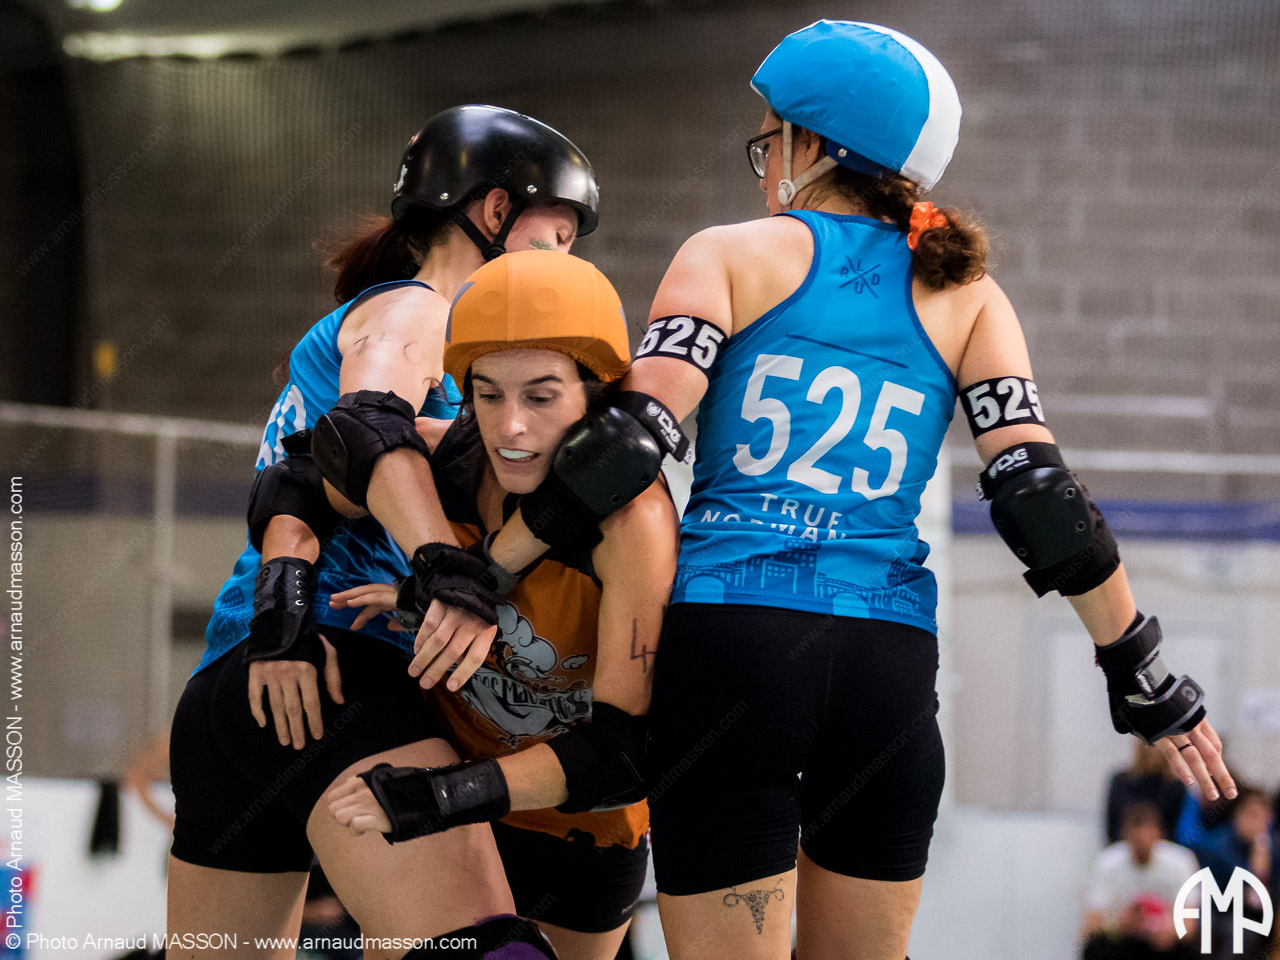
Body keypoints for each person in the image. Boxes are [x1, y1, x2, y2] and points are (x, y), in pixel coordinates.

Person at [600, 20, 1236, 960]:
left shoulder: (727, 253)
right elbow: (1039, 498)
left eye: (770, 139)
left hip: (736, 642)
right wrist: (1138, 666)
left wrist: (489, 567)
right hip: (886, 668)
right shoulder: (969, 292)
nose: (765, 165)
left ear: (812, 145)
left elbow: (622, 451)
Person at [167, 105, 599, 959]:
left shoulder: (409, 328)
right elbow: (368, 424)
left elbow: (303, 476)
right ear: (495, 212)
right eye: (557, 237)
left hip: (239, 683)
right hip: (338, 675)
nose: (567, 261)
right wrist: (448, 569)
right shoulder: (417, 308)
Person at [323, 250, 679, 960]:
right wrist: (290, 599)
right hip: (459, 812)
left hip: (577, 826)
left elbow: (618, 753)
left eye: (541, 397)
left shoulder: (631, 524)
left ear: (595, 398)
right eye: (487, 395)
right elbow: (301, 475)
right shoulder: (449, 459)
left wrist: (439, 795)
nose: (509, 427)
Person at [1080, 802, 1200, 959]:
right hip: (1122, 941)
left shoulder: (1180, 861)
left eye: (1147, 835)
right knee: (1095, 947)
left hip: (1164, 943)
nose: (1142, 842)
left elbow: (1189, 924)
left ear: (1158, 834)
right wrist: (1119, 926)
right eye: (1137, 837)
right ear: (1126, 835)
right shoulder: (1106, 863)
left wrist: (1168, 931)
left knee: (1196, 947)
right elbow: (1091, 924)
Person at [1106, 740, 1189, 845]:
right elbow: (1112, 825)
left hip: (1163, 849)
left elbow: (1177, 829)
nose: (1154, 751)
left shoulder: (1175, 788)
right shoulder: (1121, 782)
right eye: (1151, 745)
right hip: (1124, 848)